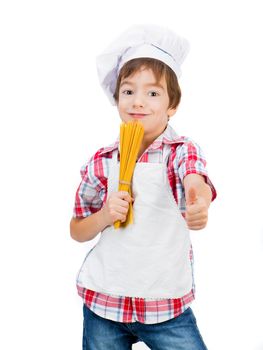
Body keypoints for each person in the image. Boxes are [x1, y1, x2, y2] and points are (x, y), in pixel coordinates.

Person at [70, 24, 217, 350]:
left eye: (152, 93)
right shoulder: (102, 160)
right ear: (116, 97)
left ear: (172, 105)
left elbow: (194, 177)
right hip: (104, 303)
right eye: (128, 91)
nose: (138, 102)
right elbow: (77, 229)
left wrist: (199, 201)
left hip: (165, 308)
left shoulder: (180, 151)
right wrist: (105, 216)